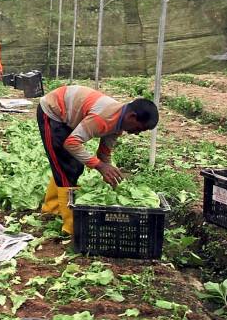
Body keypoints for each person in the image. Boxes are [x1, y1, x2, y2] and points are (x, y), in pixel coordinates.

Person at [36, 84, 159, 235]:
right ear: (132, 116)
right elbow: (72, 143)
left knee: (72, 166)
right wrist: (100, 166)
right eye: (139, 128)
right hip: (52, 111)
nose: (137, 133)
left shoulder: (119, 125)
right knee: (66, 168)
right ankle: (71, 228)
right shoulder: (103, 118)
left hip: (68, 115)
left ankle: (51, 208)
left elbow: (104, 154)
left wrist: (109, 173)